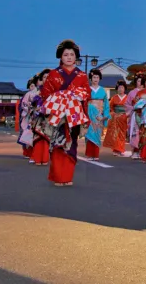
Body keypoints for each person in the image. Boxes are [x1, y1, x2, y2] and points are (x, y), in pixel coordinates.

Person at [40, 40, 90, 187]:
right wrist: (60, 98)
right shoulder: (53, 74)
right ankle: (58, 176)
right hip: (58, 115)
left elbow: (86, 93)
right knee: (57, 144)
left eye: (72, 54)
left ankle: (67, 176)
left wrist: (75, 96)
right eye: (65, 54)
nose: (69, 57)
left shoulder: (81, 75)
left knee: (71, 144)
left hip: (73, 115)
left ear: (76, 57)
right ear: (60, 57)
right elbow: (45, 94)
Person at [85, 68, 109, 161]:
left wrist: (106, 114)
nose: (95, 79)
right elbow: (84, 102)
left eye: (97, 77)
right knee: (89, 133)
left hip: (99, 114)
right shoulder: (87, 89)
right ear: (91, 78)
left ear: (99, 79)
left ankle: (95, 154)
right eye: (94, 77)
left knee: (97, 133)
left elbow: (106, 103)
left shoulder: (103, 90)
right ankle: (90, 154)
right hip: (89, 113)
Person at [29, 69, 52, 166]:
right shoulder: (38, 91)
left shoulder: (54, 90)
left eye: (48, 77)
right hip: (39, 117)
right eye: (44, 77)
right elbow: (33, 103)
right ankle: (38, 158)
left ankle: (45, 158)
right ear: (42, 79)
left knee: (47, 138)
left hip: (49, 117)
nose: (46, 79)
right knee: (38, 138)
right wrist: (36, 108)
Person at [104, 80, 129, 156]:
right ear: (117, 89)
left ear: (124, 89)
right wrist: (113, 113)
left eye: (122, 87)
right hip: (115, 118)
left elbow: (129, 107)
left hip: (124, 117)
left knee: (122, 134)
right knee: (115, 134)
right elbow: (110, 107)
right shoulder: (114, 98)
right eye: (119, 88)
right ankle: (115, 149)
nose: (120, 89)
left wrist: (127, 114)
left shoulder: (128, 98)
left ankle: (120, 149)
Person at [18, 77, 38, 159]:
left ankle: (33, 152)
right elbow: (22, 106)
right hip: (27, 117)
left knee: (34, 135)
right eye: (30, 86)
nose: (32, 87)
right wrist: (28, 109)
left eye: (33, 85)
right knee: (26, 135)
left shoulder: (38, 94)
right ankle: (26, 152)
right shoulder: (26, 95)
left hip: (35, 116)